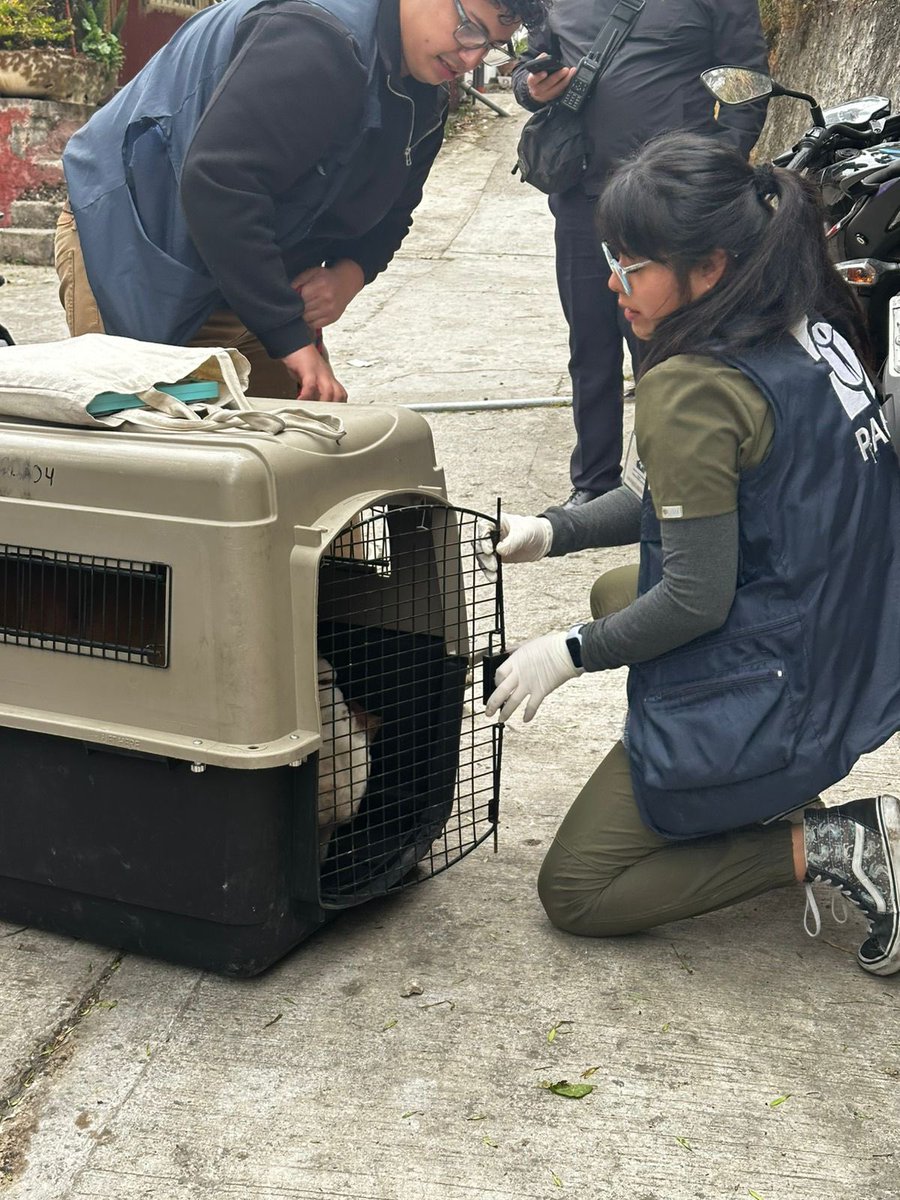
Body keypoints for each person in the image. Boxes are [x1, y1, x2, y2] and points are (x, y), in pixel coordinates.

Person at [480, 132, 900, 975]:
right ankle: (764, 788)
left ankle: (840, 843)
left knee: (579, 890)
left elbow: (696, 601)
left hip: (788, 688)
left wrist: (565, 654)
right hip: (858, 647)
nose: (612, 283)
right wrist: (554, 529)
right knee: (614, 585)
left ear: (707, 268)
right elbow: (694, 496)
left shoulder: (695, 385)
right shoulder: (807, 323)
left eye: (633, 265)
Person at [55, 0, 548, 402]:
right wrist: (289, 336)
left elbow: (395, 212)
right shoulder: (315, 41)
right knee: (155, 454)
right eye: (468, 28)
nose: (470, 58)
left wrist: (348, 275)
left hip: (253, 266)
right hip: (137, 241)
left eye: (492, 46)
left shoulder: (425, 94)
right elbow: (219, 184)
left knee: (303, 443)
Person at [511, 0, 769, 506]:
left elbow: (746, 78)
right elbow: (532, 56)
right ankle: (594, 483)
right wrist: (529, 84)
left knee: (671, 343)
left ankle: (670, 475)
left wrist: (714, 166)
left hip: (669, 206)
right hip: (583, 195)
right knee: (590, 345)